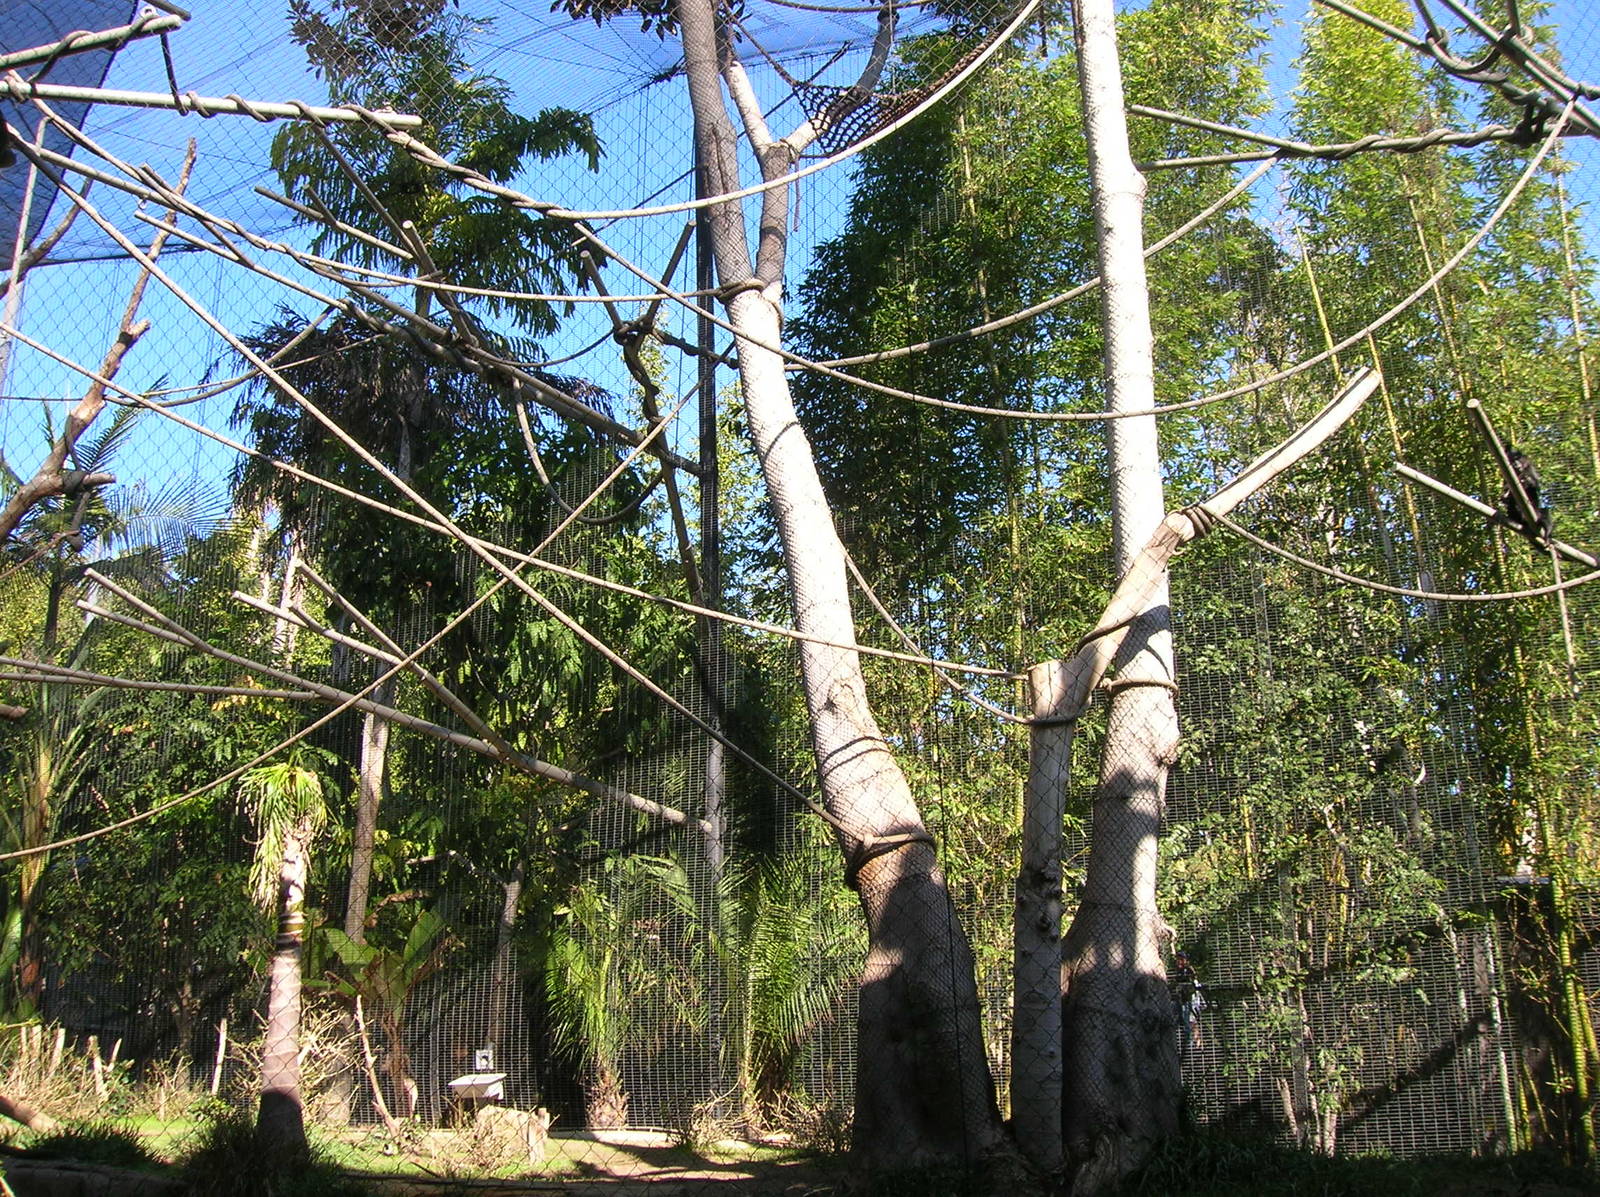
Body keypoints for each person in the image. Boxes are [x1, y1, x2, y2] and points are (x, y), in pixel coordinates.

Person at [1171, 949, 1205, 1054]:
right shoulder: (1178, 971)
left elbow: (1194, 984)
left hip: (1191, 997)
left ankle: (1197, 1044)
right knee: (1182, 1018)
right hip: (1182, 998)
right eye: (1178, 959)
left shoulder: (1188, 970)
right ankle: (1188, 1042)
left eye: (1181, 959)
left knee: (1191, 1019)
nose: (1179, 961)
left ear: (1185, 960)